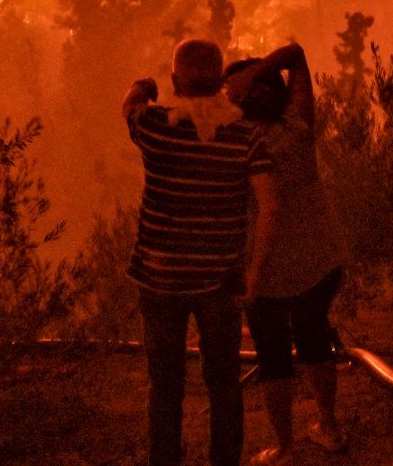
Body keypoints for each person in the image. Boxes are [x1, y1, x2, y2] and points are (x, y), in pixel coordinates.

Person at [123, 38, 279, 466]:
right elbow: (271, 205)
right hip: (221, 282)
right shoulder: (244, 135)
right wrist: (255, 274)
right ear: (220, 81)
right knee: (224, 384)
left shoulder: (155, 127)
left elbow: (130, 108)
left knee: (165, 387)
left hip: (159, 278)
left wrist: (143, 86)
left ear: (177, 81)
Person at [226, 42, 350, 466]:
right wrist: (257, 71)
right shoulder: (297, 126)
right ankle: (328, 427)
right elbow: (297, 52)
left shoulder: (237, 144)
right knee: (314, 337)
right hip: (320, 255)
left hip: (268, 267)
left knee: (272, 355)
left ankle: (284, 447)